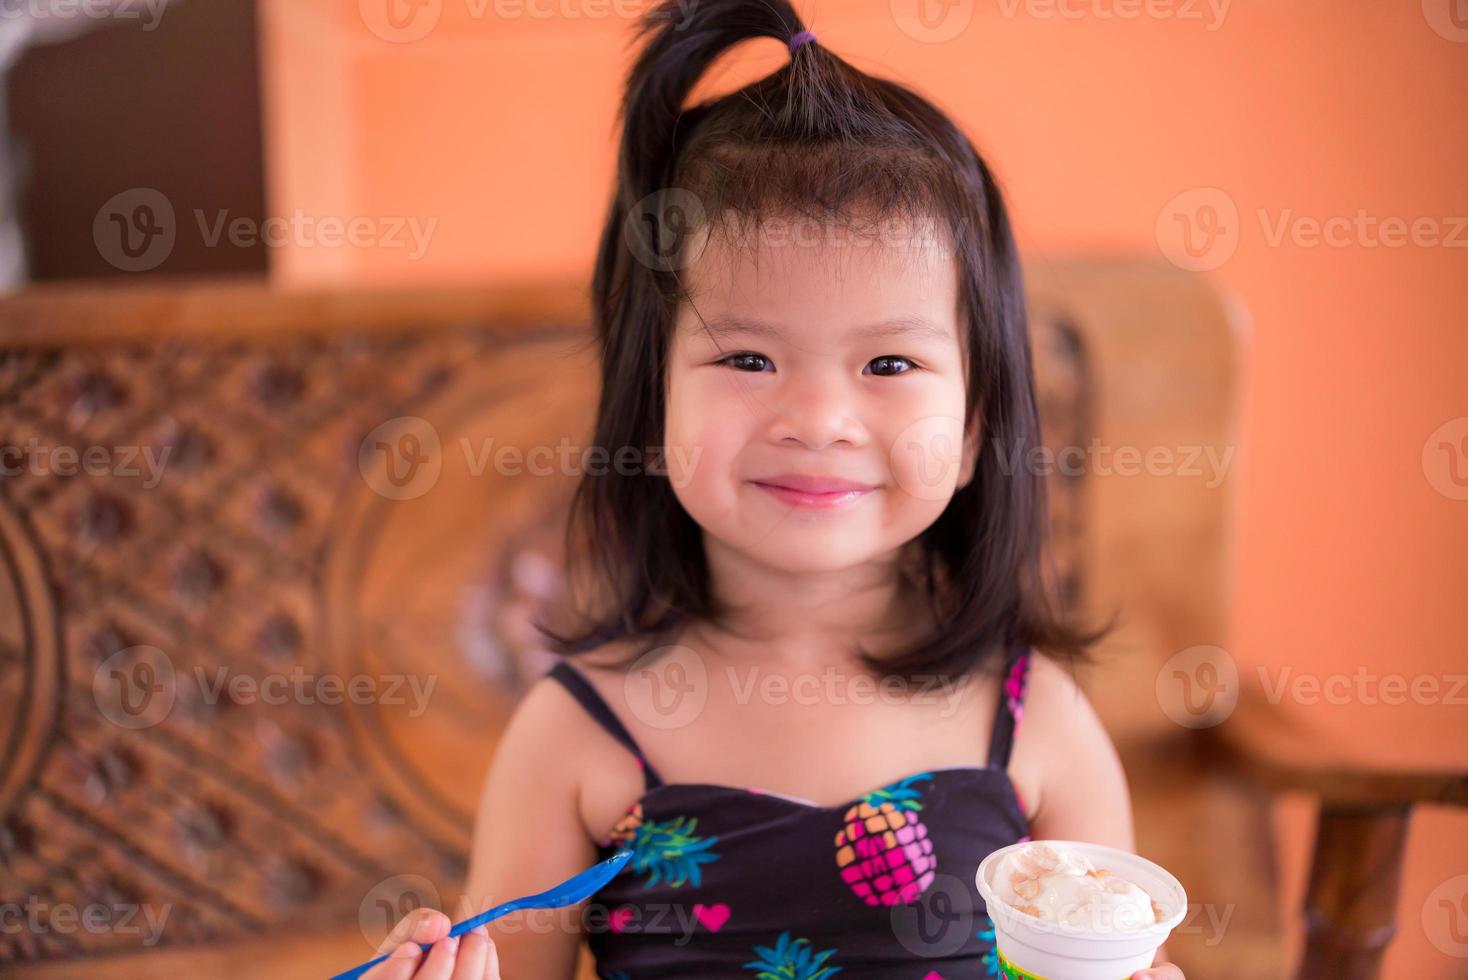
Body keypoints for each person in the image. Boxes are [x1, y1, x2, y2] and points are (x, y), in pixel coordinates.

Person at [369, 0, 1186, 975]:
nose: (817, 418)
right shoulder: (577, 731)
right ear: (649, 404)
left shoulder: (1033, 720)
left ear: (975, 428)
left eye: (889, 365)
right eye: (748, 357)